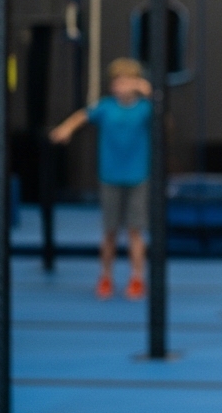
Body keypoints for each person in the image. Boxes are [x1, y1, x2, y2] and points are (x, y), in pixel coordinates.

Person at [49, 57, 153, 301]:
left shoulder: (145, 109)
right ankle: (105, 277)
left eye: (127, 81)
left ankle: (137, 278)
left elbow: (163, 116)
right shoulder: (106, 107)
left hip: (138, 178)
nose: (122, 86)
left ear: (136, 83)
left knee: (135, 232)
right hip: (110, 177)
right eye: (118, 82)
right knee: (110, 232)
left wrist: (150, 93)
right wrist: (66, 128)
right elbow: (82, 116)